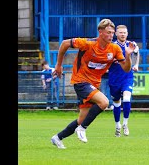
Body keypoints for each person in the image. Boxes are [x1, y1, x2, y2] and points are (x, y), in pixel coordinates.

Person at [50, 19, 135, 149]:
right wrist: (58, 65)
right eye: (108, 32)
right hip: (80, 80)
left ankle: (58, 137)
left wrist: (128, 56)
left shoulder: (115, 48)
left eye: (112, 33)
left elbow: (126, 69)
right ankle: (82, 129)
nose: (111, 35)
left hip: (94, 84)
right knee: (104, 102)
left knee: (81, 119)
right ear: (100, 32)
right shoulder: (87, 43)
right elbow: (65, 43)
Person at [109, 25, 140, 137]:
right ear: (116, 34)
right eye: (120, 32)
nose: (123, 34)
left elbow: (137, 52)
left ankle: (125, 124)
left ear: (127, 33)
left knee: (127, 98)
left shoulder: (131, 44)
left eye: (124, 32)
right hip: (114, 78)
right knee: (116, 103)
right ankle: (117, 125)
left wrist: (136, 64)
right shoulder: (111, 46)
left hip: (127, 76)